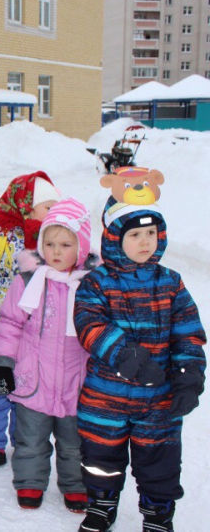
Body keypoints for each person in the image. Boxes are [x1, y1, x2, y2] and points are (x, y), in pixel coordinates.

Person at [73, 174, 206, 532]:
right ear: (115, 238)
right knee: (101, 457)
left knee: (159, 462)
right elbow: (90, 326)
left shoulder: (171, 282)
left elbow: (189, 333)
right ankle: (101, 504)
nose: (144, 241)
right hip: (106, 397)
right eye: (134, 234)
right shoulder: (96, 283)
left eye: (151, 233)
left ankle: (158, 515)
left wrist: (189, 376)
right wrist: (131, 359)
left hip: (158, 399)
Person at [0, 199, 95, 512]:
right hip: (31, 381)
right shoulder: (27, 282)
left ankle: (76, 485)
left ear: (82, 246)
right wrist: (3, 366)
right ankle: (30, 483)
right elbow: (9, 325)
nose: (56, 251)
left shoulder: (90, 287)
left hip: (77, 385)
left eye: (65, 244)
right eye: (49, 243)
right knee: (30, 439)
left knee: (75, 442)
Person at [0, 172, 60, 466]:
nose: (52, 213)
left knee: (27, 388)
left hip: (35, 335)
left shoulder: (49, 238)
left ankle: (25, 440)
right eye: (47, 207)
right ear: (27, 205)